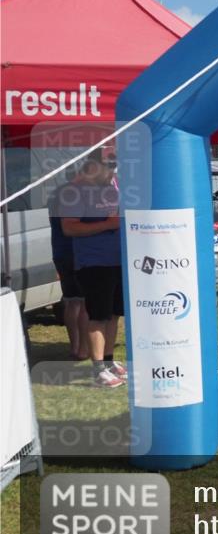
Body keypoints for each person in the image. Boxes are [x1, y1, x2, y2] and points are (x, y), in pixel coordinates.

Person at [61, 151, 126, 388]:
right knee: (98, 315)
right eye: (108, 166)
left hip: (117, 259)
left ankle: (108, 362)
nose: (112, 171)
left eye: (114, 166)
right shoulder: (74, 191)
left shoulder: (113, 187)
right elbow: (69, 228)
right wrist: (109, 223)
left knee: (113, 314)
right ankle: (98, 370)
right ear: (92, 166)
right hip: (93, 262)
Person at [48, 167, 89, 361]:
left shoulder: (56, 194)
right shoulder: (77, 194)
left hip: (60, 251)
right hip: (76, 251)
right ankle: (83, 350)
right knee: (83, 302)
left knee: (71, 301)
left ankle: (75, 347)